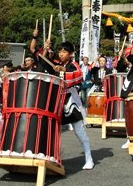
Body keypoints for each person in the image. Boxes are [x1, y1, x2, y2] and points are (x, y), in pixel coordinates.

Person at [38, 40, 94, 170]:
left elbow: (78, 77)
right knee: (54, 131)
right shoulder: (56, 64)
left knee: (79, 131)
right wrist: (46, 50)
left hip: (70, 100)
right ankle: (54, 157)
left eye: (64, 52)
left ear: (71, 54)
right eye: (60, 51)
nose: (61, 54)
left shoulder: (73, 65)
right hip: (57, 101)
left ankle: (89, 158)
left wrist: (63, 70)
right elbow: (42, 62)